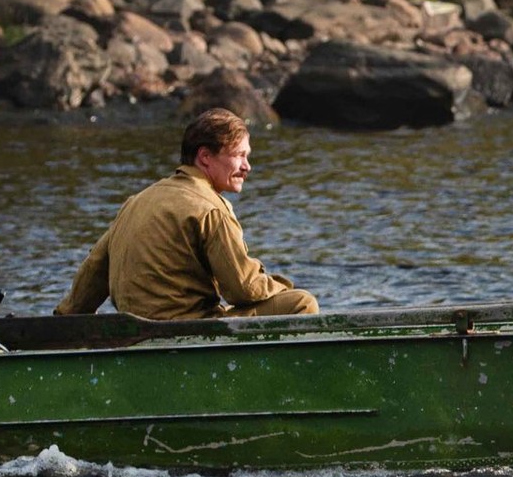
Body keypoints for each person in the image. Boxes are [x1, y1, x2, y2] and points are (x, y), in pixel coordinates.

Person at [54, 107, 318, 320]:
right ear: (205, 157)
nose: (247, 166)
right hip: (188, 333)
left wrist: (63, 321)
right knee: (302, 303)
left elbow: (93, 273)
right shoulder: (211, 209)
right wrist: (281, 286)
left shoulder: (136, 201)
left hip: (135, 335)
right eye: (239, 155)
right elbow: (242, 289)